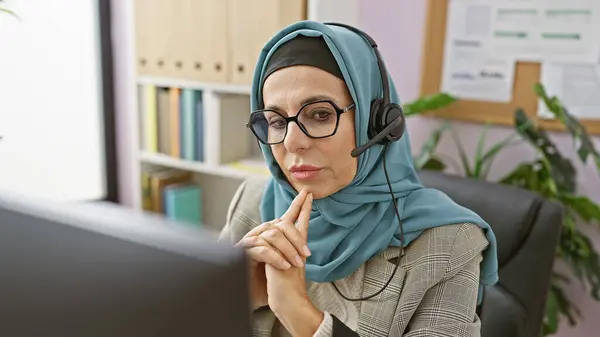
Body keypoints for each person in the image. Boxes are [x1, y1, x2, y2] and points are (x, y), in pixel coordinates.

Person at [219, 21, 498, 337]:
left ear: (375, 123)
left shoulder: (448, 243)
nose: (291, 142)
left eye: (320, 114)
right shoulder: (253, 203)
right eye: (275, 121)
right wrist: (232, 301)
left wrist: (299, 314)